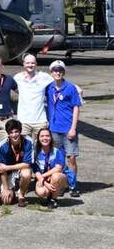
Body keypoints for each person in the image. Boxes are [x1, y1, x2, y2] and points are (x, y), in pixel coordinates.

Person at [45, 60, 81, 197]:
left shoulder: (70, 88)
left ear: (63, 72)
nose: (57, 72)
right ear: (51, 72)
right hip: (54, 129)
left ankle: (73, 186)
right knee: (58, 159)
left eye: (60, 70)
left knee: (71, 157)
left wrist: (73, 128)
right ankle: (61, 184)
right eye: (55, 70)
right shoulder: (49, 88)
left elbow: (76, 107)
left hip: (68, 129)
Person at [13, 53, 53, 137]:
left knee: (41, 147)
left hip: (40, 121)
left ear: (36, 64)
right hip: (23, 121)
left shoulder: (44, 77)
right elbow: (6, 83)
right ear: (23, 64)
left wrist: (75, 87)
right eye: (27, 63)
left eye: (32, 63)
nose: (30, 65)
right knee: (24, 147)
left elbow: (58, 80)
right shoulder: (18, 77)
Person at [32, 127, 72, 209]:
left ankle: (53, 199)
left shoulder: (57, 151)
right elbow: (35, 170)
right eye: (42, 136)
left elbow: (58, 168)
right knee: (41, 192)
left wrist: (43, 176)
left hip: (59, 178)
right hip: (43, 179)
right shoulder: (35, 152)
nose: (45, 138)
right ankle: (50, 194)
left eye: (47, 136)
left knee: (56, 176)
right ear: (38, 138)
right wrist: (44, 182)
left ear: (51, 137)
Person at [0, 119, 34, 207]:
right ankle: (12, 190)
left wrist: (7, 167)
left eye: (16, 131)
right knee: (7, 201)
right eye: (11, 132)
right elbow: (2, 169)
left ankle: (21, 195)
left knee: (26, 173)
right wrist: (6, 189)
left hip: (21, 171)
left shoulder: (28, 141)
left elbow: (27, 164)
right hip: (8, 174)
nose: (14, 135)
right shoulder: (2, 146)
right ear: (8, 134)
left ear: (20, 131)